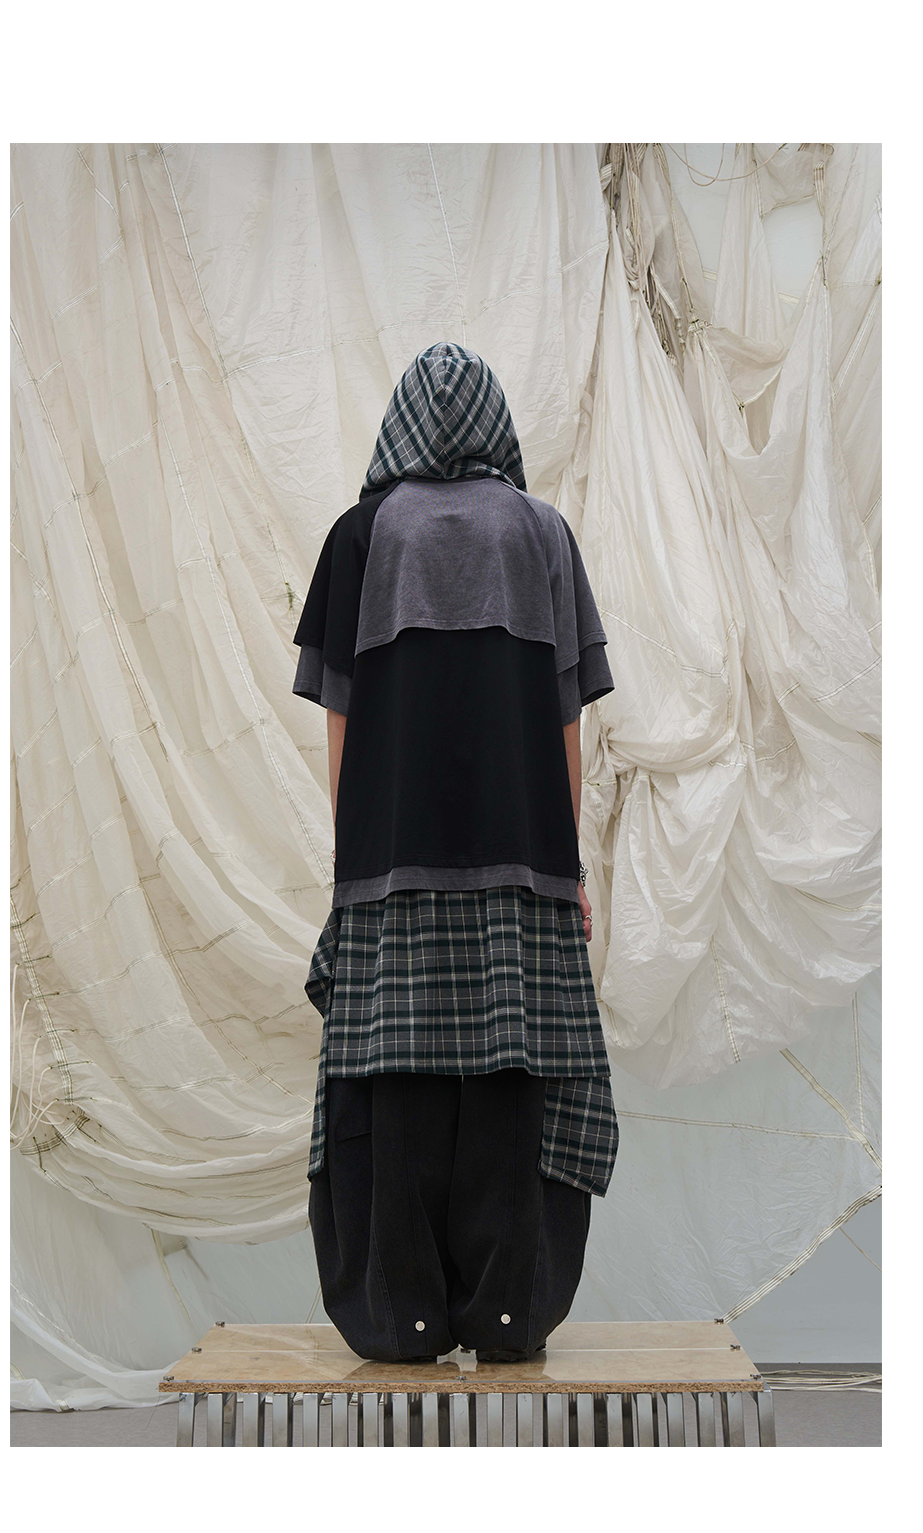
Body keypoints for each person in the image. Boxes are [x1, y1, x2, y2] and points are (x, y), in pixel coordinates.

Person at [291, 341, 618, 1364]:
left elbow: (341, 726)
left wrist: (352, 868)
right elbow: (566, 722)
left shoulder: (359, 537)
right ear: (496, 423)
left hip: (389, 867)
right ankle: (509, 1313)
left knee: (396, 1084)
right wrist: (569, 873)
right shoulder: (543, 533)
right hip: (525, 862)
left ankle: (403, 1320)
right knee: (513, 1080)